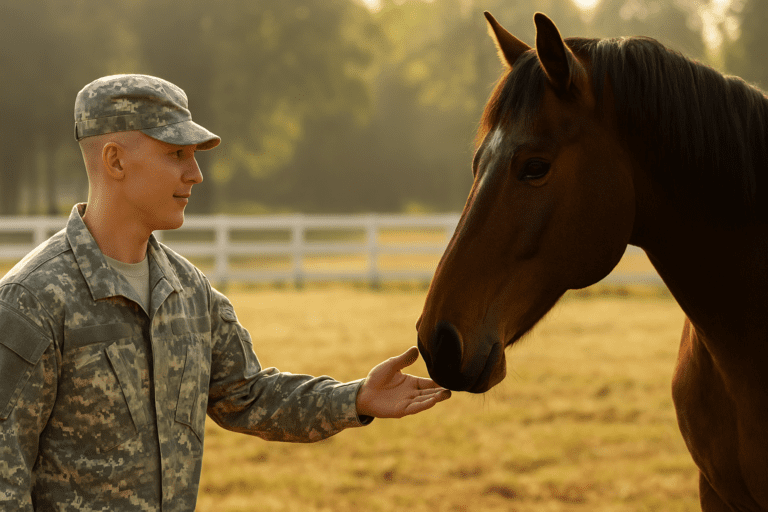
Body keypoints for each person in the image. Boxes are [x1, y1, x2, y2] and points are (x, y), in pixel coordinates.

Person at [0, 74, 451, 511]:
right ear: (115, 161)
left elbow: (248, 396)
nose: (195, 174)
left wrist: (354, 399)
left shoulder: (190, 292)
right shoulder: (31, 301)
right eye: (177, 153)